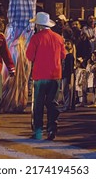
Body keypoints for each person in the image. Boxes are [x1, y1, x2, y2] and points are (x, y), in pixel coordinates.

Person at [26, 12, 66, 140]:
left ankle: (38, 131)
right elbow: (63, 56)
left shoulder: (36, 38)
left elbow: (29, 56)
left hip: (40, 76)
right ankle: (51, 129)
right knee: (52, 104)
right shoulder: (59, 38)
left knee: (38, 104)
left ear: (39, 25)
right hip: (55, 75)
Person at [1, 0, 37, 113]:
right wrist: (12, 31)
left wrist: (28, 30)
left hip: (25, 33)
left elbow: (32, 16)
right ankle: (8, 98)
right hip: (16, 32)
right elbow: (11, 14)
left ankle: (18, 100)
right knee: (13, 63)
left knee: (24, 67)